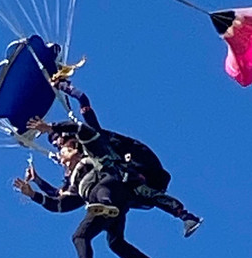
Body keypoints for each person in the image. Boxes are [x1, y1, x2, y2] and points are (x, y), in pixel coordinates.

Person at [33, 79, 203, 237]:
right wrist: (37, 181)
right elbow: (62, 195)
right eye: (56, 145)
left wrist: (62, 86)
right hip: (120, 185)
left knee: (140, 189)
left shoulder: (93, 137)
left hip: (140, 168)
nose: (59, 146)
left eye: (60, 142)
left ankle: (186, 216)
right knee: (123, 208)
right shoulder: (78, 167)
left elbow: (82, 99)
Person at [14, 135, 175, 258]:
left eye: (64, 153)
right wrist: (33, 192)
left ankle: (106, 205)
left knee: (99, 190)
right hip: (109, 207)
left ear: (76, 151)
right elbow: (59, 204)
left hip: (113, 189)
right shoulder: (75, 183)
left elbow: (90, 133)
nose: (61, 160)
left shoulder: (91, 157)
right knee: (113, 243)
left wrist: (58, 130)